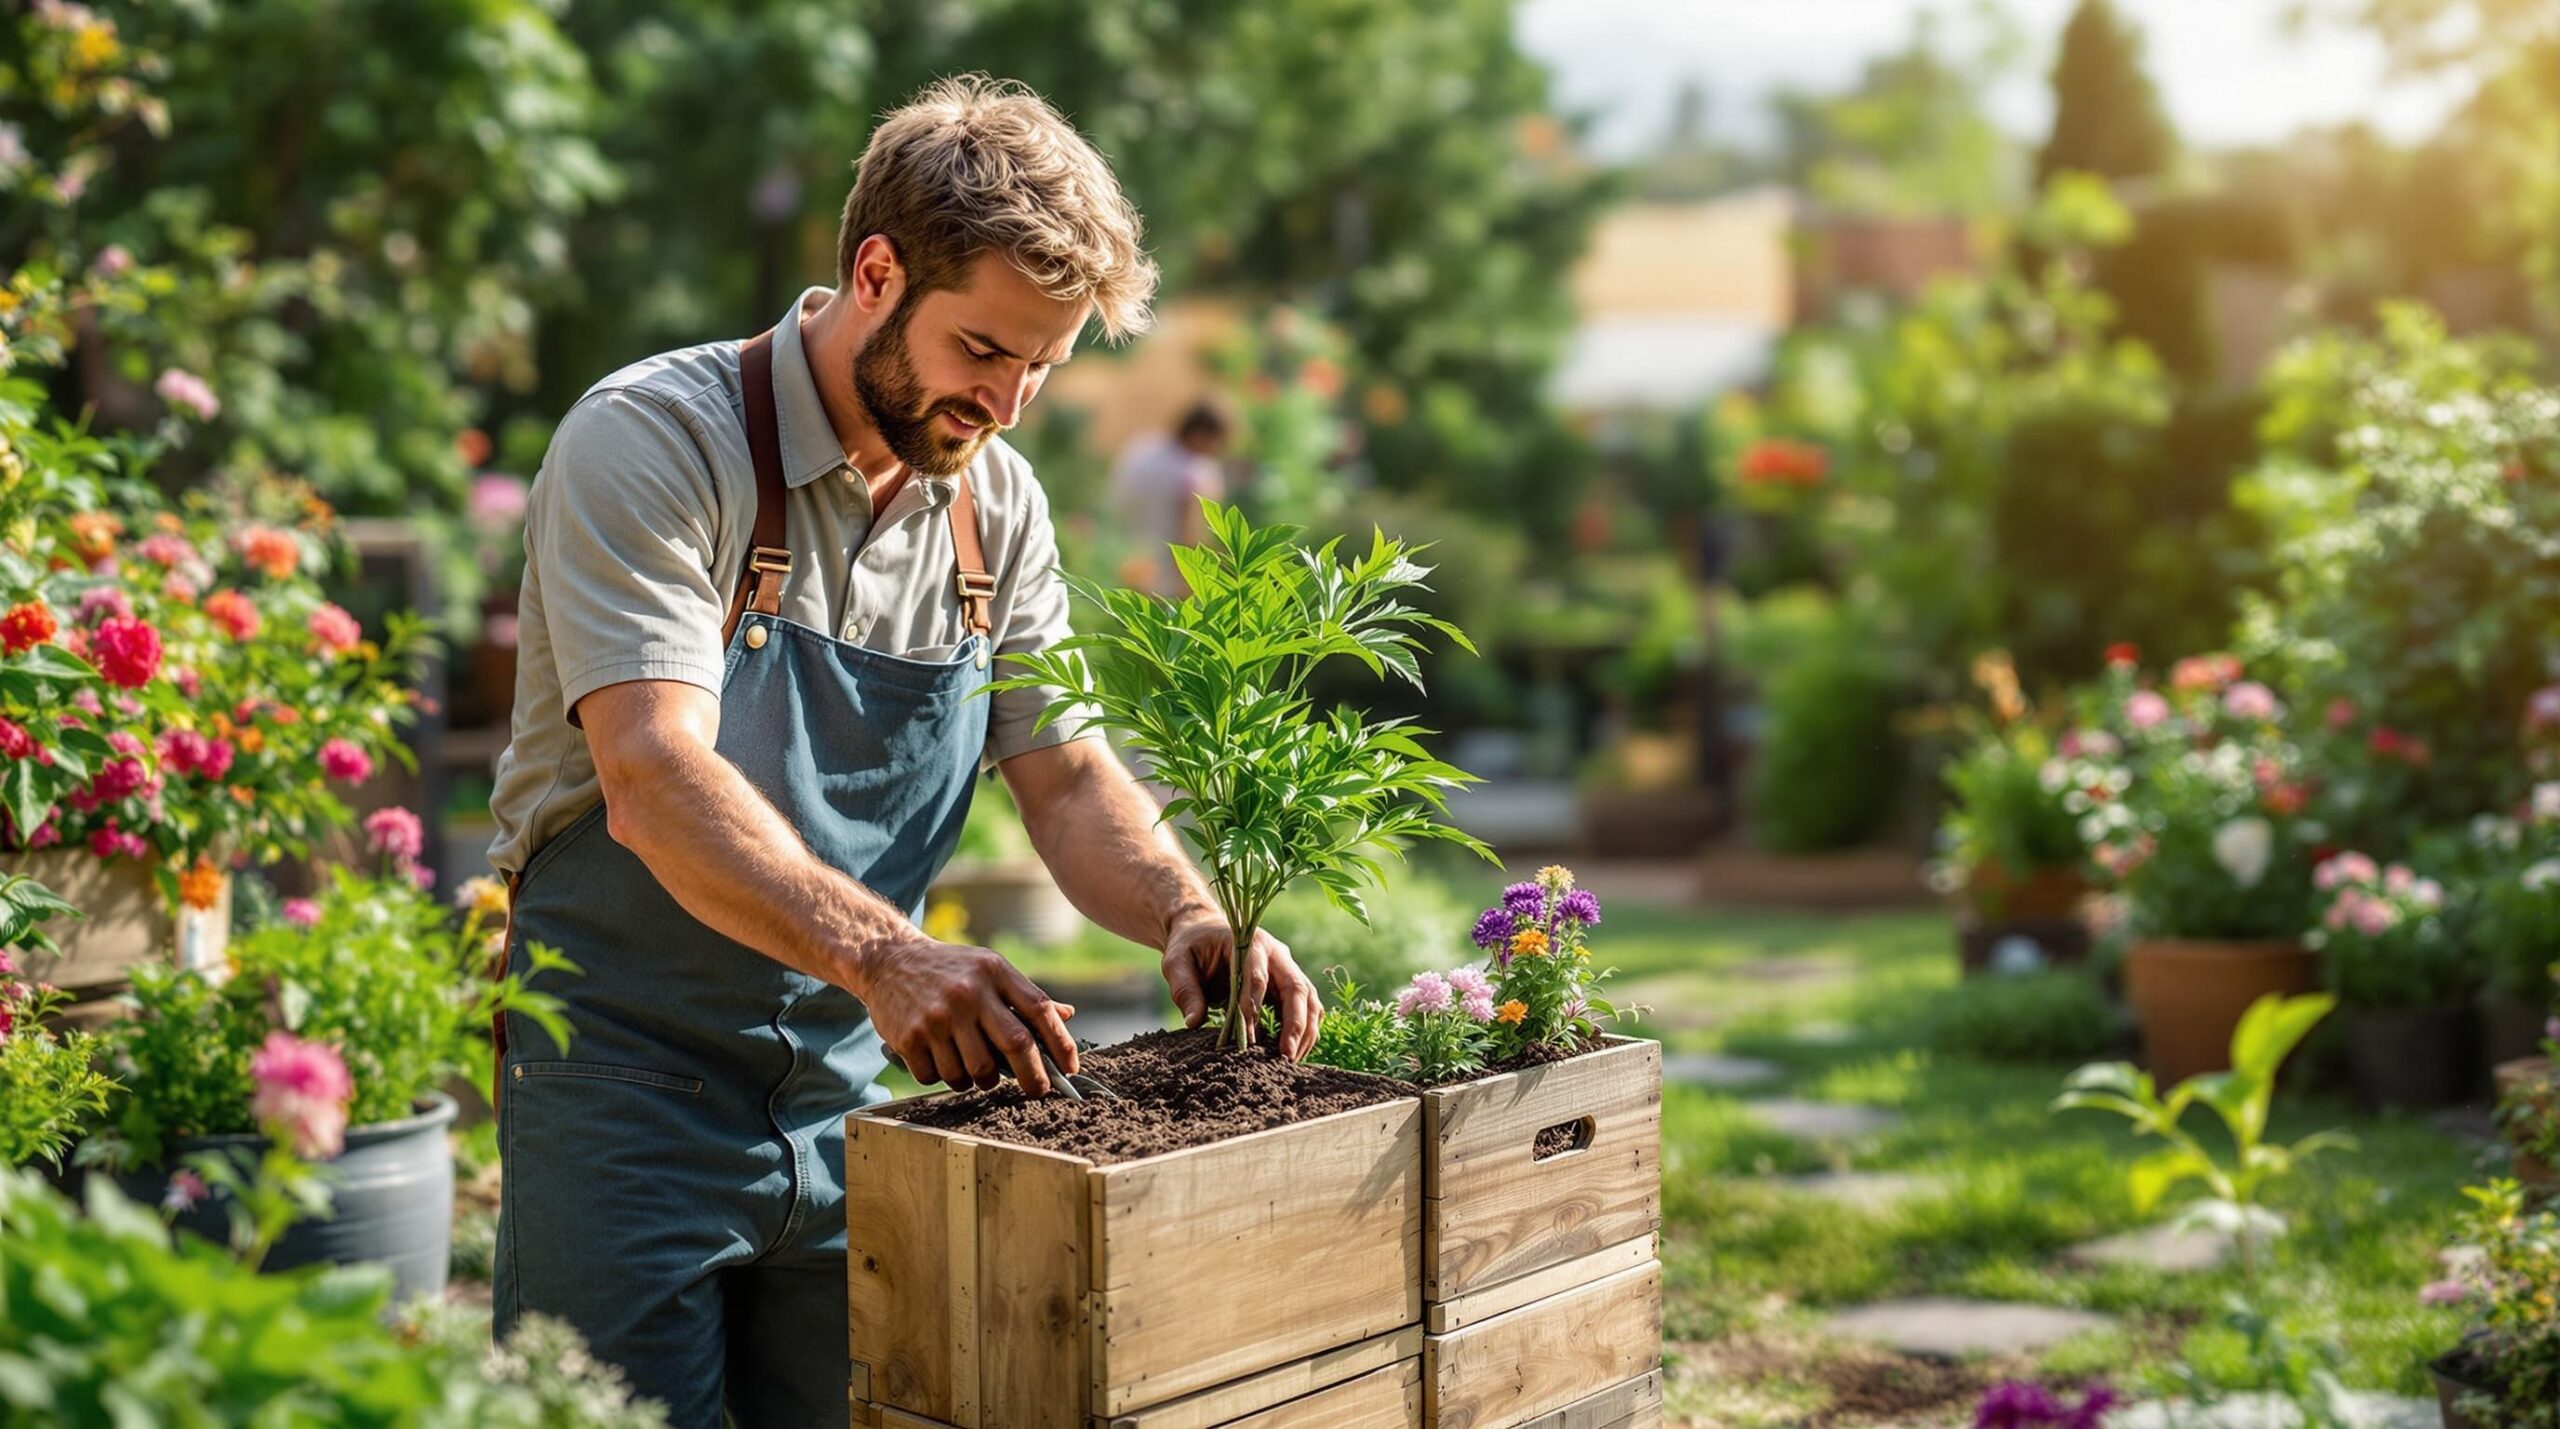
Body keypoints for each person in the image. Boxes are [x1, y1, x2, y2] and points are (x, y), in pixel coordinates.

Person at [480, 75, 1322, 1428]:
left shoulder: (995, 505)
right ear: (876, 273)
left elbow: (1063, 769)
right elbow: (650, 777)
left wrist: (1184, 910)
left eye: (1044, 364)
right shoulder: (654, 442)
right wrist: (884, 953)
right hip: (624, 1095)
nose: (1011, 400)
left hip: (862, 1098)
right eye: (984, 351)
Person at [1107, 398, 1232, 596]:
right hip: (1170, 574)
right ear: (1200, 434)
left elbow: (1117, 503)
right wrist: (1194, 582)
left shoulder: (1141, 449)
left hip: (1129, 559)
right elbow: (1191, 533)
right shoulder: (1196, 471)